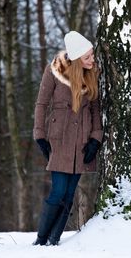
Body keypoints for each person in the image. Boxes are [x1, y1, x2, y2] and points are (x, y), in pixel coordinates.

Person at [33, 31, 103, 246]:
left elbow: (95, 109)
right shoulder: (54, 71)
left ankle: (54, 240)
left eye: (92, 55)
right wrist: (40, 136)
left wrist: (95, 139)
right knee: (59, 191)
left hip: (82, 142)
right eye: (87, 57)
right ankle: (41, 239)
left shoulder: (91, 74)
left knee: (70, 194)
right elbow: (41, 104)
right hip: (59, 139)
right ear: (75, 58)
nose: (92, 60)